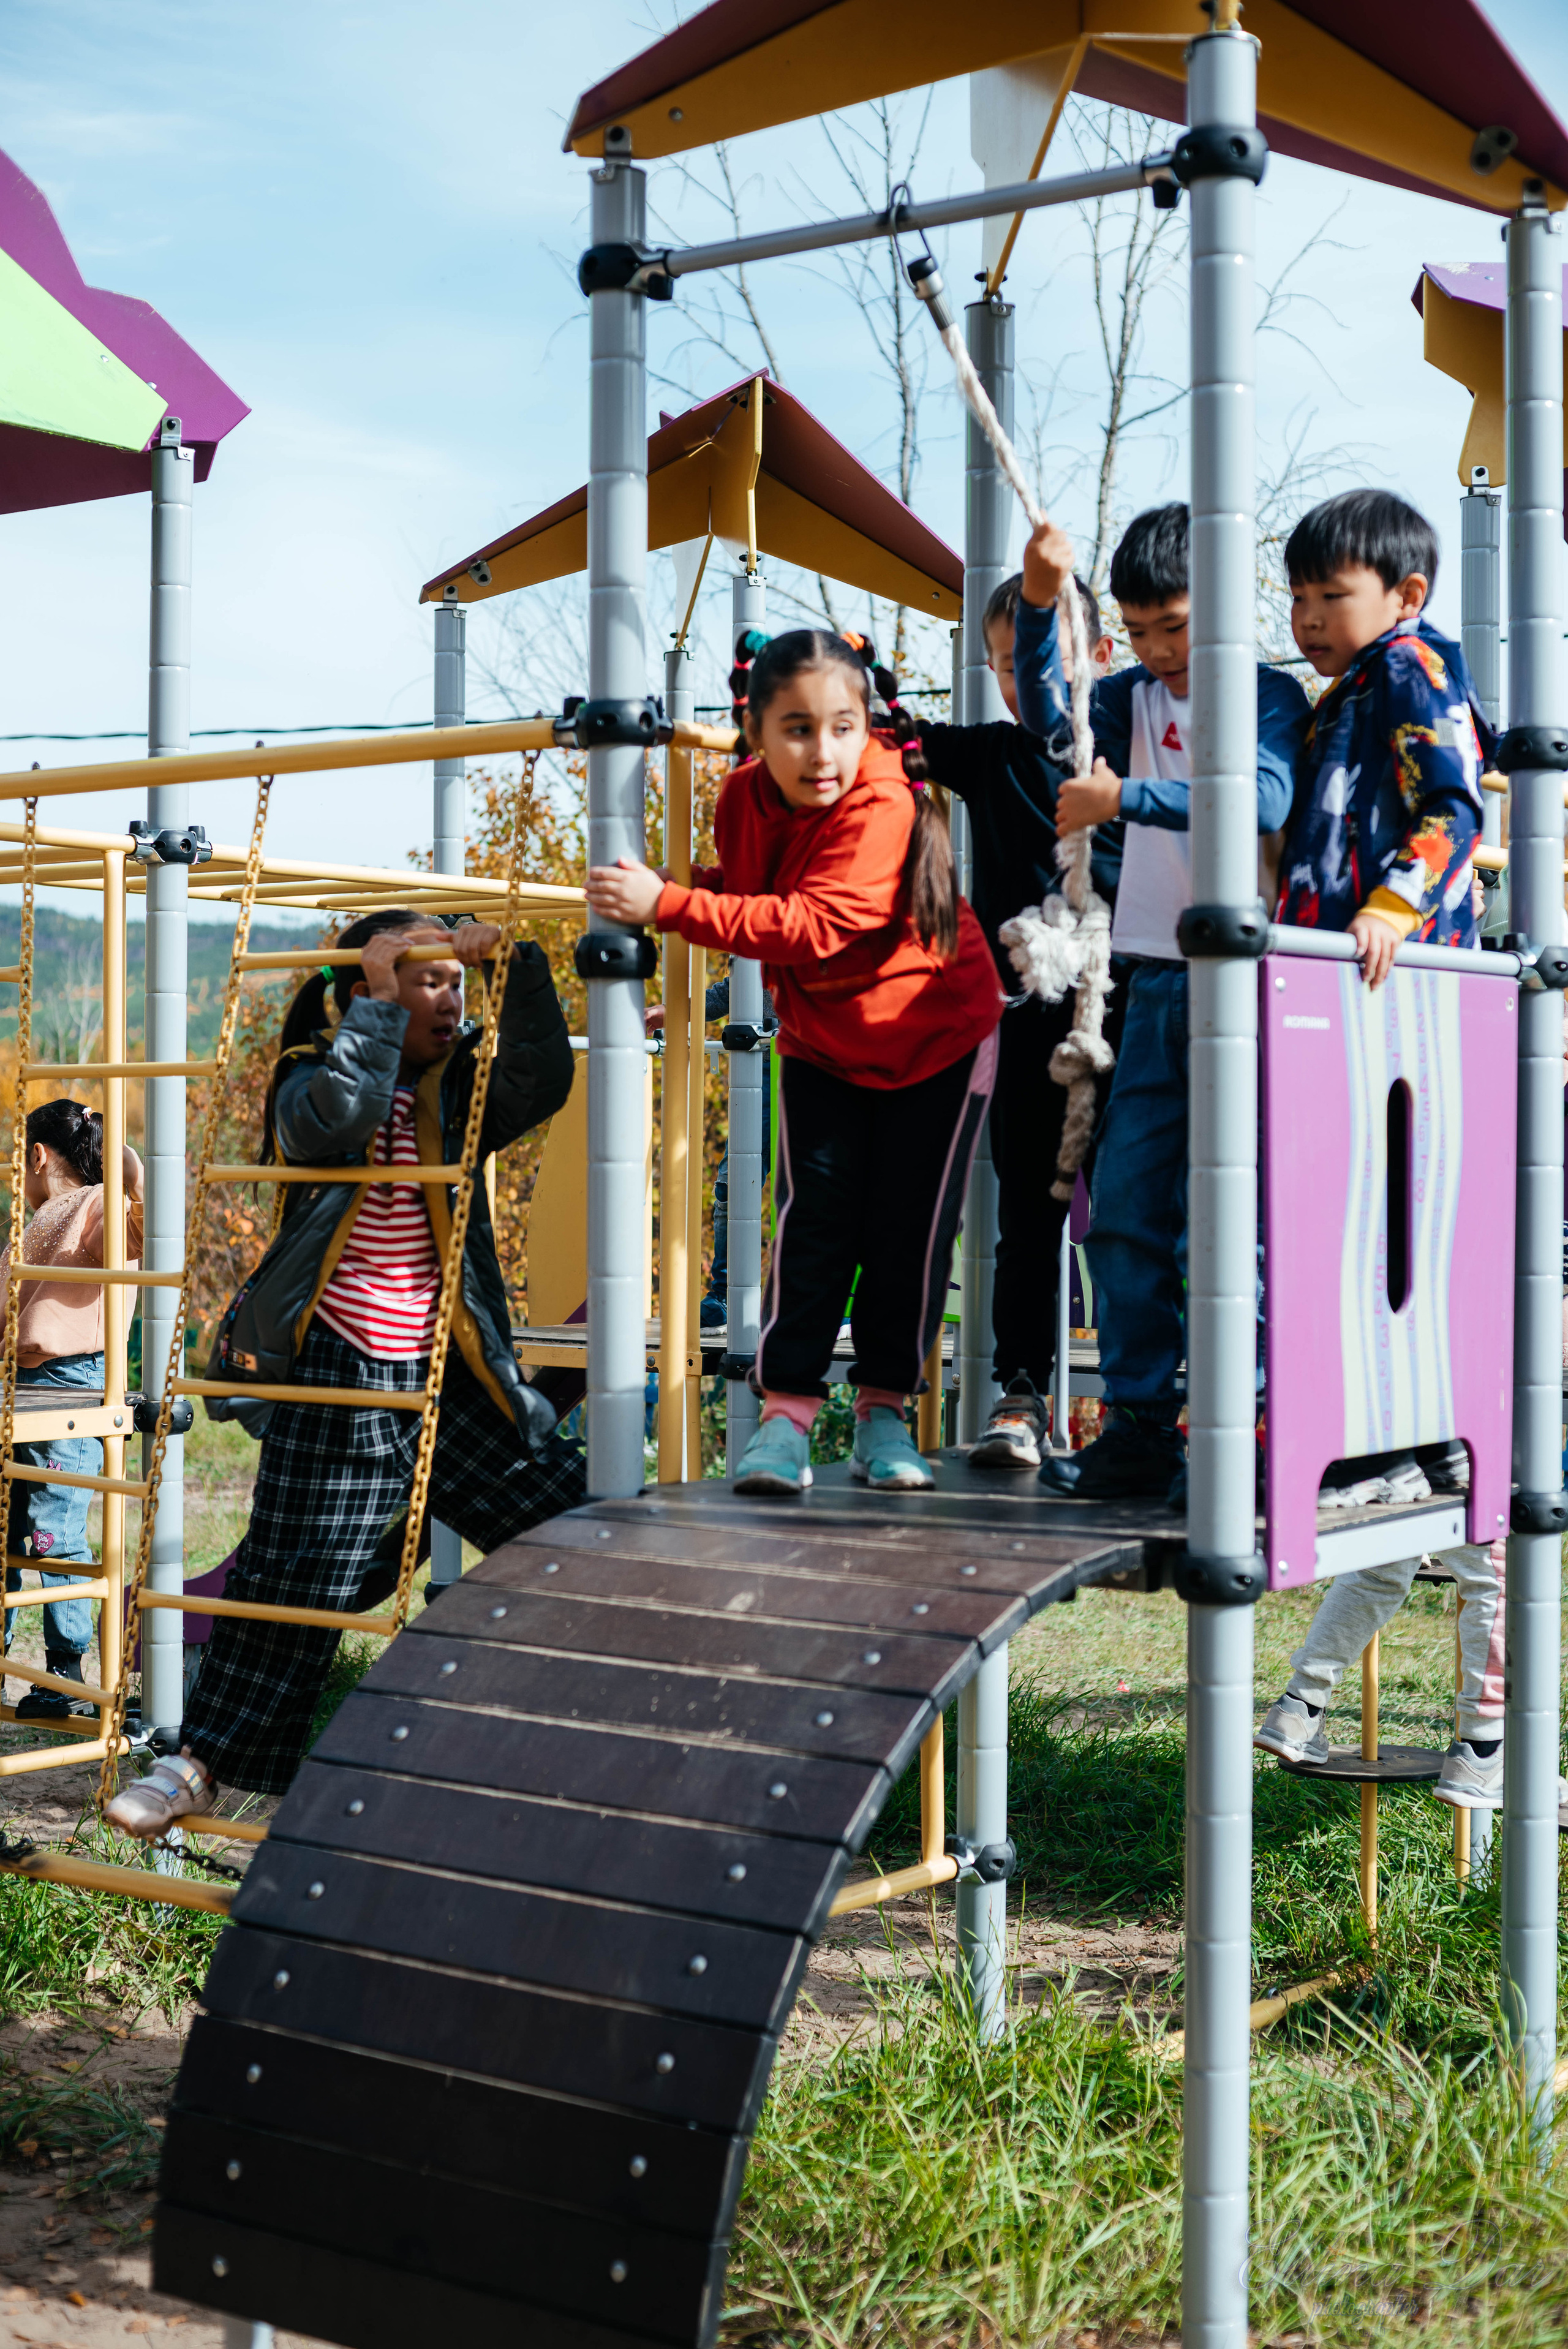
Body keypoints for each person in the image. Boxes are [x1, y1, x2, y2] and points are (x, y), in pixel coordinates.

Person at [105, 911, 584, 1838]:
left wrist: (517, 961)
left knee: (575, 1513)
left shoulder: (460, 1091)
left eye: (456, 980)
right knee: (293, 1575)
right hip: (345, 1364)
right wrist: (368, 1003)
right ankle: (195, 1764)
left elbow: (543, 1078)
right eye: (428, 979)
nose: (449, 997)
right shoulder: (306, 1079)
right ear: (371, 989)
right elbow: (339, 1121)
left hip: (449, 1370)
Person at [585, 630, 1003, 1498]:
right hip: (826, 1039)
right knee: (814, 1222)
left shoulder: (883, 804)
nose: (824, 752)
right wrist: (685, 881)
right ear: (755, 728)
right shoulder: (742, 796)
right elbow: (756, 889)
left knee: (907, 1230)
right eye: (798, 729)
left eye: (844, 727)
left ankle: (886, 1408)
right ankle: (787, 1415)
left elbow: (811, 924)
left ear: (868, 726)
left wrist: (668, 905)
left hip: (934, 1038)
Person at [1015, 502, 1312, 1501]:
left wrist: (1126, 801)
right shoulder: (1132, 699)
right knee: (1126, 1217)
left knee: (1222, 1224)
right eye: (1140, 633)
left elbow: (1260, 797)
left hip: (1244, 987)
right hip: (1150, 982)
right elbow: (1052, 714)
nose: (1158, 650)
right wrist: (1041, 602)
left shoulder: (1263, 695)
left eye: (1175, 627)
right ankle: (1141, 1425)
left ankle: (1250, 1433)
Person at [914, 566, 1121, 1471]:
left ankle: (1146, 1401)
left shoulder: (1128, 757)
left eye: (1037, 659)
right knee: (1029, 1220)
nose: (1017, 679)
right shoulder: (996, 755)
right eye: (1000, 664)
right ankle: (1025, 1391)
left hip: (1121, 1004)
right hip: (1030, 1016)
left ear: (1100, 659)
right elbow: (897, 743)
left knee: (1129, 1215)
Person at [1276, 486, 1485, 968]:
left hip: (1401, 951)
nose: (1309, 618)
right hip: (1341, 945)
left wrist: (1393, 908)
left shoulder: (1408, 668)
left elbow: (1454, 809)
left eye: (1332, 596)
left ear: (1408, 596)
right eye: (1298, 598)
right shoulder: (1347, 691)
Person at [1, 1100, 143, 1719]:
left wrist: (128, 1176)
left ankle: (65, 1671)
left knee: (52, 1527)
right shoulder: (29, 1226)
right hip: (19, 1386)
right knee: (10, 1531)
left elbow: (140, 1230)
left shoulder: (97, 1203)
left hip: (73, 1384)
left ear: (37, 1154)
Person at [1254, 1539, 1506, 1807]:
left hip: (1395, 1497)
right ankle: (1483, 1749)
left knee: (1375, 1574)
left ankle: (1300, 1706)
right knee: (1500, 1579)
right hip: (1472, 1496)